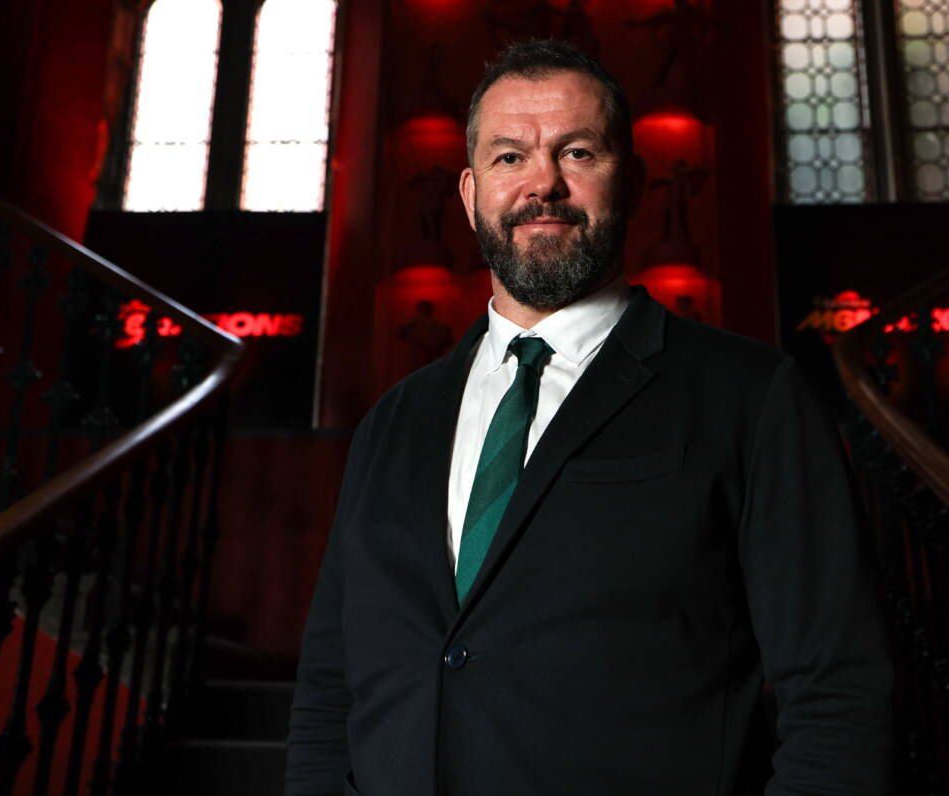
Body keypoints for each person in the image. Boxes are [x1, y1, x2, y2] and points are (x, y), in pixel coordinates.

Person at [287, 40, 892, 795]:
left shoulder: (749, 394)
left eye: (576, 151)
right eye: (510, 158)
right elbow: (329, 688)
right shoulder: (394, 422)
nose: (543, 183)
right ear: (470, 195)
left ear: (631, 180)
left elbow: (841, 694)